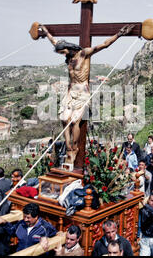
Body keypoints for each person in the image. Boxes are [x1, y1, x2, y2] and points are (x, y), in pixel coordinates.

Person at [40, 23, 135, 165]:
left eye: (63, 52)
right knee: (65, 119)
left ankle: (75, 145)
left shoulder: (83, 54)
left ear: (69, 48)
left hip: (82, 91)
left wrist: (119, 34)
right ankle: (68, 146)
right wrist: (46, 32)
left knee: (75, 120)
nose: (63, 55)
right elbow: (54, 41)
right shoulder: (68, 57)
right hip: (70, 91)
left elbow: (103, 45)